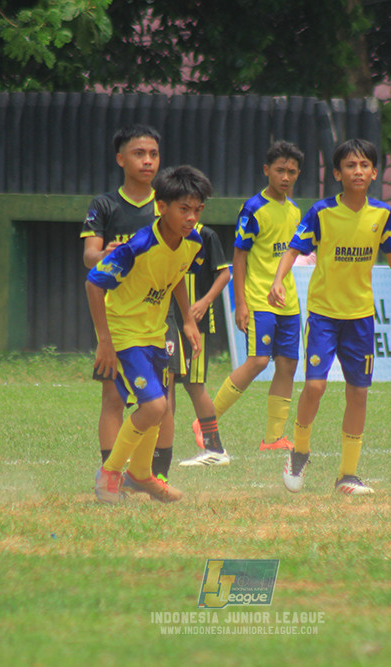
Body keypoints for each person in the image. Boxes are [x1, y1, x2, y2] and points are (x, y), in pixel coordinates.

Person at [268, 138, 391, 495]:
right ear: (337, 173)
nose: (357, 171)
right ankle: (299, 453)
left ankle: (347, 475)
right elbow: (295, 249)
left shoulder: (382, 214)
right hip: (323, 316)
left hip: (360, 318)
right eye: (350, 165)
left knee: (358, 394)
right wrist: (278, 280)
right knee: (314, 387)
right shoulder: (321, 212)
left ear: (374, 172)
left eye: (364, 165)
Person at [87, 165, 210, 504]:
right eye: (183, 209)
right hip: (125, 334)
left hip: (156, 334)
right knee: (154, 405)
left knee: (160, 406)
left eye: (197, 210)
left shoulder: (193, 242)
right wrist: (105, 341)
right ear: (161, 207)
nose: (191, 217)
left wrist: (187, 319)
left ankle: (141, 475)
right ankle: (109, 475)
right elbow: (94, 284)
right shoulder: (138, 245)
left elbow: (177, 276)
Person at [81, 125, 181, 478]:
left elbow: (178, 265)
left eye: (153, 154)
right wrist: (105, 255)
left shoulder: (167, 206)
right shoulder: (105, 205)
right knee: (113, 396)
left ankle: (157, 474)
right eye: (139, 154)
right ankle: (114, 473)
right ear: (121, 159)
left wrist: (188, 320)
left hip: (159, 318)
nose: (148, 161)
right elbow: (89, 257)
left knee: (163, 397)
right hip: (118, 316)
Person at [201, 140, 305, 453]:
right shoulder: (253, 208)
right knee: (259, 361)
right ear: (266, 171)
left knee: (287, 365)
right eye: (279, 170)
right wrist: (240, 303)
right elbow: (239, 256)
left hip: (289, 303)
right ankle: (207, 420)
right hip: (260, 301)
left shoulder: (295, 211)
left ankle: (273, 439)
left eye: (291, 172)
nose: (285, 177)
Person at [176, 222, 232, 466]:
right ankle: (155, 449)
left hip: (196, 322)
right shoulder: (161, 232)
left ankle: (215, 449)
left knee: (194, 384)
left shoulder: (206, 235)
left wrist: (205, 301)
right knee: (164, 382)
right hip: (165, 318)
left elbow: (225, 273)